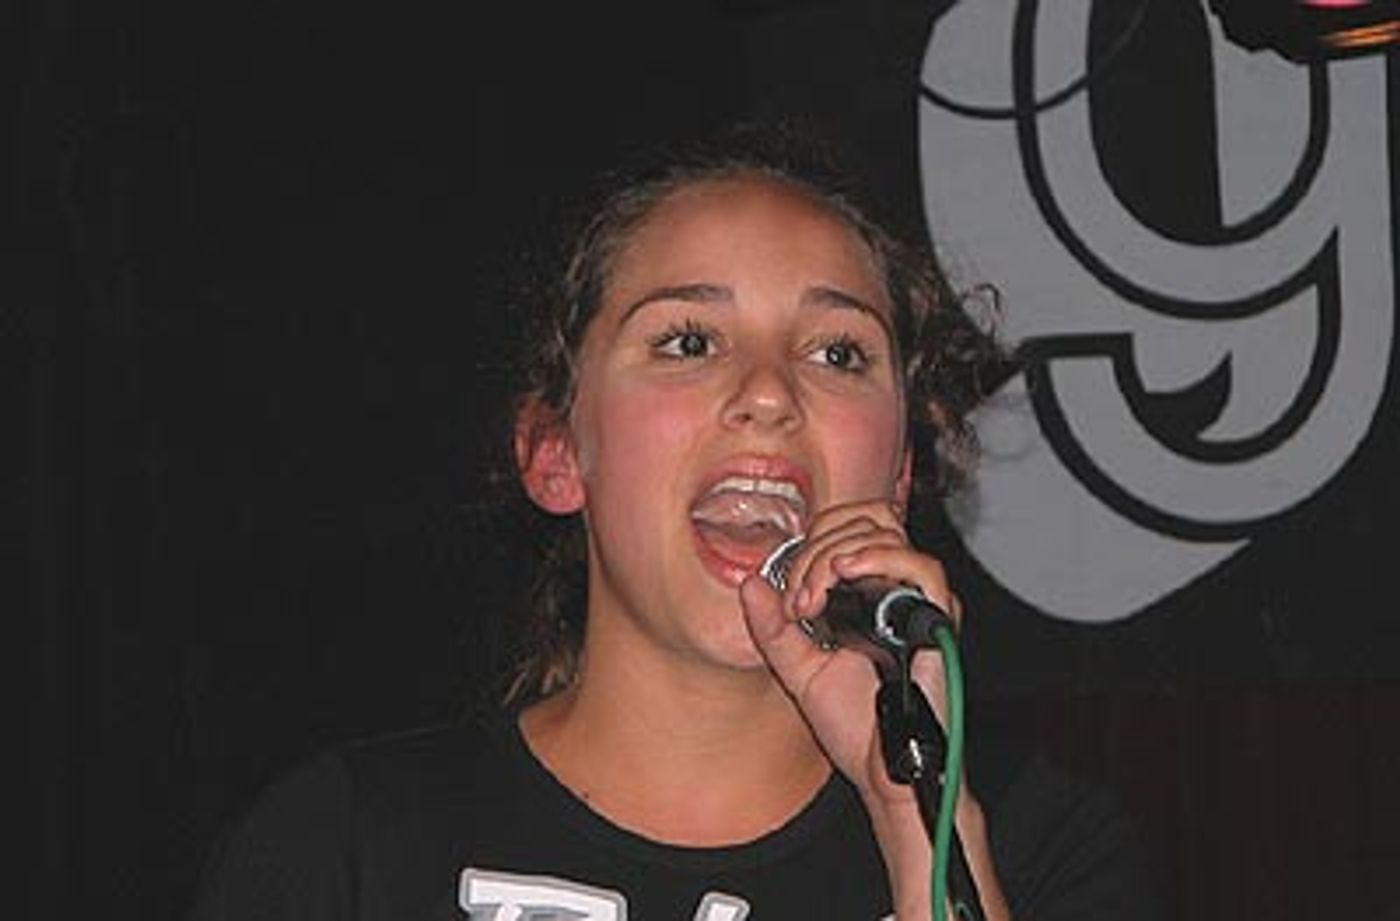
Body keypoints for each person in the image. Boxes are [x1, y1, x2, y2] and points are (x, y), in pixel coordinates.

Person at [187, 124, 1163, 920]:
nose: (768, 394)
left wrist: (914, 814)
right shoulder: (347, 845)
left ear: (900, 472)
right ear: (556, 452)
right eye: (688, 341)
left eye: (837, 353)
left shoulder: (1038, 850)